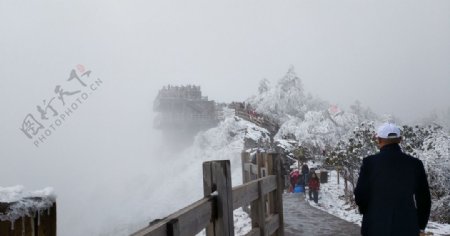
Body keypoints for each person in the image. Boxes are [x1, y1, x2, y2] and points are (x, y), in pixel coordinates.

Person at [354, 123, 431, 236]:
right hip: (407, 226)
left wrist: (367, 210)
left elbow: (360, 194)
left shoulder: (369, 162)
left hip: (375, 225)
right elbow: (424, 199)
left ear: (379, 140)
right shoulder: (415, 164)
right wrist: (420, 226)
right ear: (400, 139)